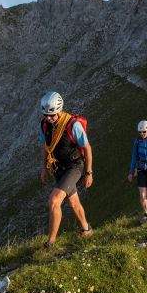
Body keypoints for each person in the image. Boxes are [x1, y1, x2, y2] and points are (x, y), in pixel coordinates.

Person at [39, 91, 93, 248]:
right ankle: (86, 229)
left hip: (74, 167)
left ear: (59, 110)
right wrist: (43, 168)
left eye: (52, 115)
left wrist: (89, 172)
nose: (48, 118)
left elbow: (87, 148)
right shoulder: (44, 125)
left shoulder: (73, 125)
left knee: (54, 200)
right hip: (58, 168)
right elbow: (44, 147)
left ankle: (51, 242)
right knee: (73, 202)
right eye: (46, 115)